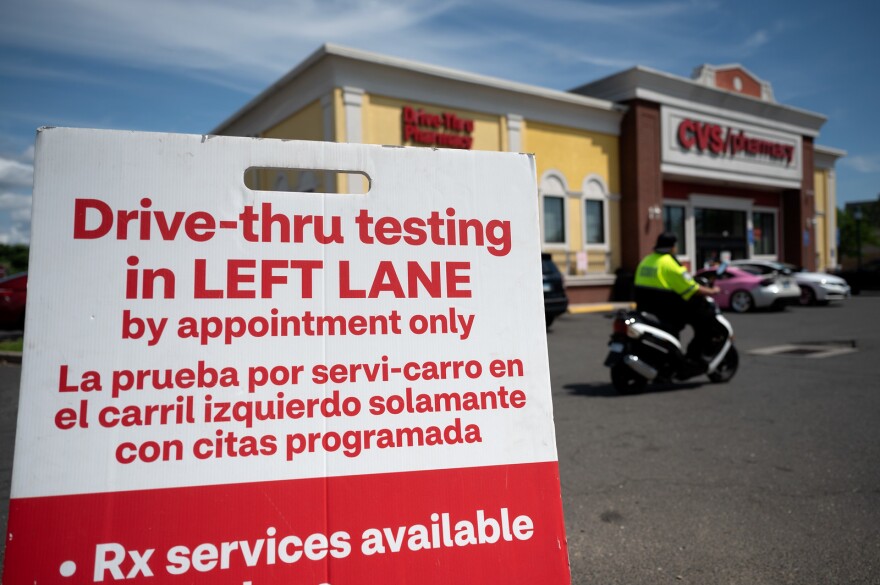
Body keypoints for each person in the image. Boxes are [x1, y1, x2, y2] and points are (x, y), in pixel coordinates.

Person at [634, 232, 720, 369]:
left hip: (647, 308)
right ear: (673, 247)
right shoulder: (670, 263)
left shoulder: (646, 261)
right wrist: (713, 291)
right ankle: (694, 358)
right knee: (705, 323)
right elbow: (691, 289)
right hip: (666, 310)